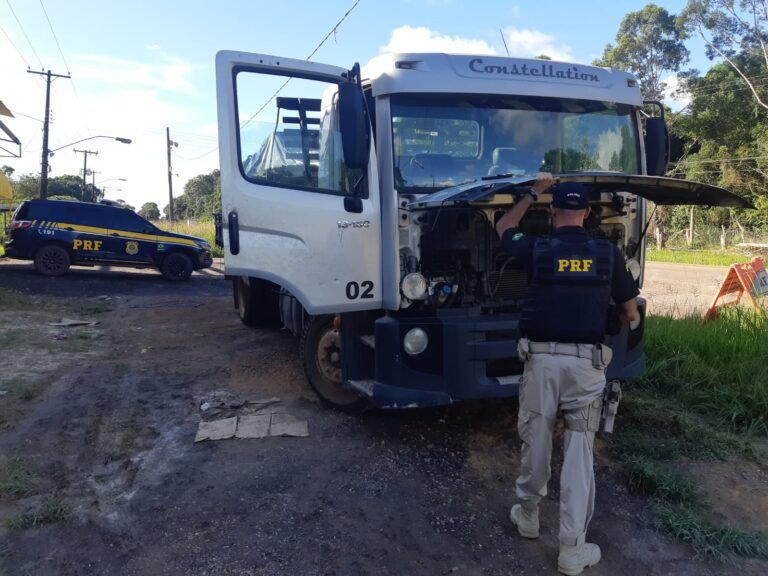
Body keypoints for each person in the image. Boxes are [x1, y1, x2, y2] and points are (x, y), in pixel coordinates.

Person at [495, 173, 639, 576]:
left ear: (553, 212)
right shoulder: (608, 255)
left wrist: (531, 192)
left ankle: (528, 515)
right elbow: (629, 313)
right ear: (588, 213)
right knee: (579, 454)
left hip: (541, 363)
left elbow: (504, 227)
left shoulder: (537, 249)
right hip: (586, 367)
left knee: (535, 440)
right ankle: (571, 550)